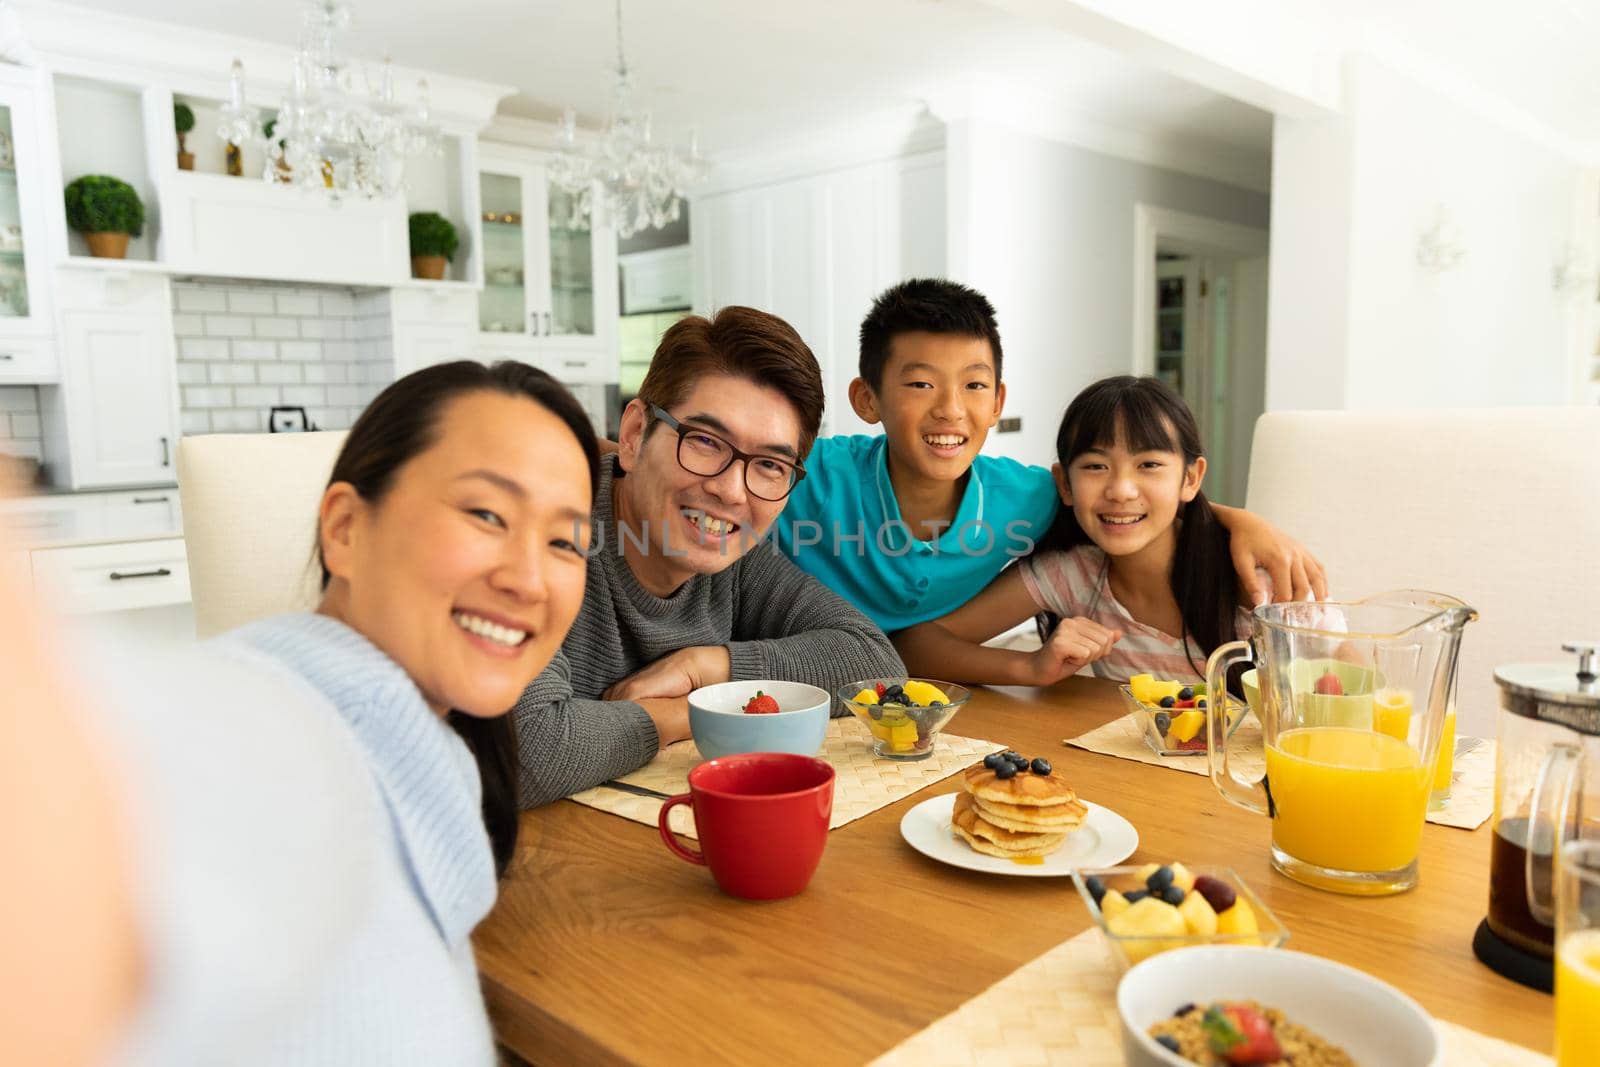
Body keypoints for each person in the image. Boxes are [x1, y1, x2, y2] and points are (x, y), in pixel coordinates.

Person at [0, 360, 601, 1066]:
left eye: (566, 541)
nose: (529, 577)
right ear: (344, 528)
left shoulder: (429, 755)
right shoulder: (279, 731)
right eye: (486, 514)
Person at [511, 306, 905, 808]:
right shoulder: (548, 531)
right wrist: (686, 716)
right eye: (704, 441)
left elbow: (875, 664)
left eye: (769, 464)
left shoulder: (735, 560)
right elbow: (530, 750)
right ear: (634, 436)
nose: (730, 491)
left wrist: (707, 670)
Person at [773, 279, 1326, 635]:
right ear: (867, 400)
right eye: (920, 384)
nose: (950, 410)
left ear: (997, 403)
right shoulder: (807, 472)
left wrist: (1238, 519)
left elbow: (1128, 500)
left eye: (973, 386)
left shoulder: (1030, 497)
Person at [894, 375, 1263, 685]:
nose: (1120, 490)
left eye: (1148, 464)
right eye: (1095, 466)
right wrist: (1030, 666)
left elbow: (1313, 700)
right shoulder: (1075, 574)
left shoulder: (1252, 578)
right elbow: (914, 647)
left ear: (1191, 477)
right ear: (1065, 484)